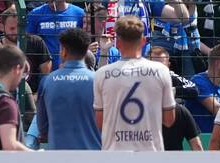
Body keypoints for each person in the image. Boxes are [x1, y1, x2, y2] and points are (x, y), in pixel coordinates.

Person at [93, 14, 176, 150]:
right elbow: (169, 120)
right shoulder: (161, 70)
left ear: (118, 43)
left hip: (115, 155)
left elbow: (100, 123)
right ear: (143, 41)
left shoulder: (102, 74)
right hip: (149, 154)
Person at [34, 26, 100, 150]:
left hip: (58, 157)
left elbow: (42, 127)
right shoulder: (98, 80)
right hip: (93, 156)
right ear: (86, 51)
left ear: (63, 51)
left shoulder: (47, 81)